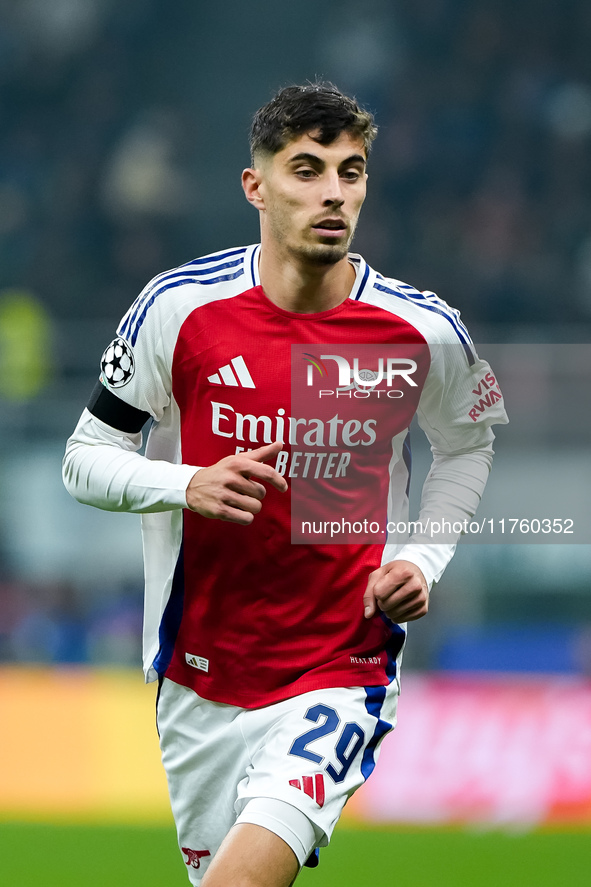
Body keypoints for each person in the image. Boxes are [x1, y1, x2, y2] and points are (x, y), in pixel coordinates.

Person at [63, 82, 507, 887]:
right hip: (198, 674)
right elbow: (85, 456)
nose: (333, 192)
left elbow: (466, 447)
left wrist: (423, 557)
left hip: (340, 663)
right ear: (255, 186)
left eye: (351, 170)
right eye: (307, 169)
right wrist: (183, 483)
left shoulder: (422, 330)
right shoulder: (181, 308)